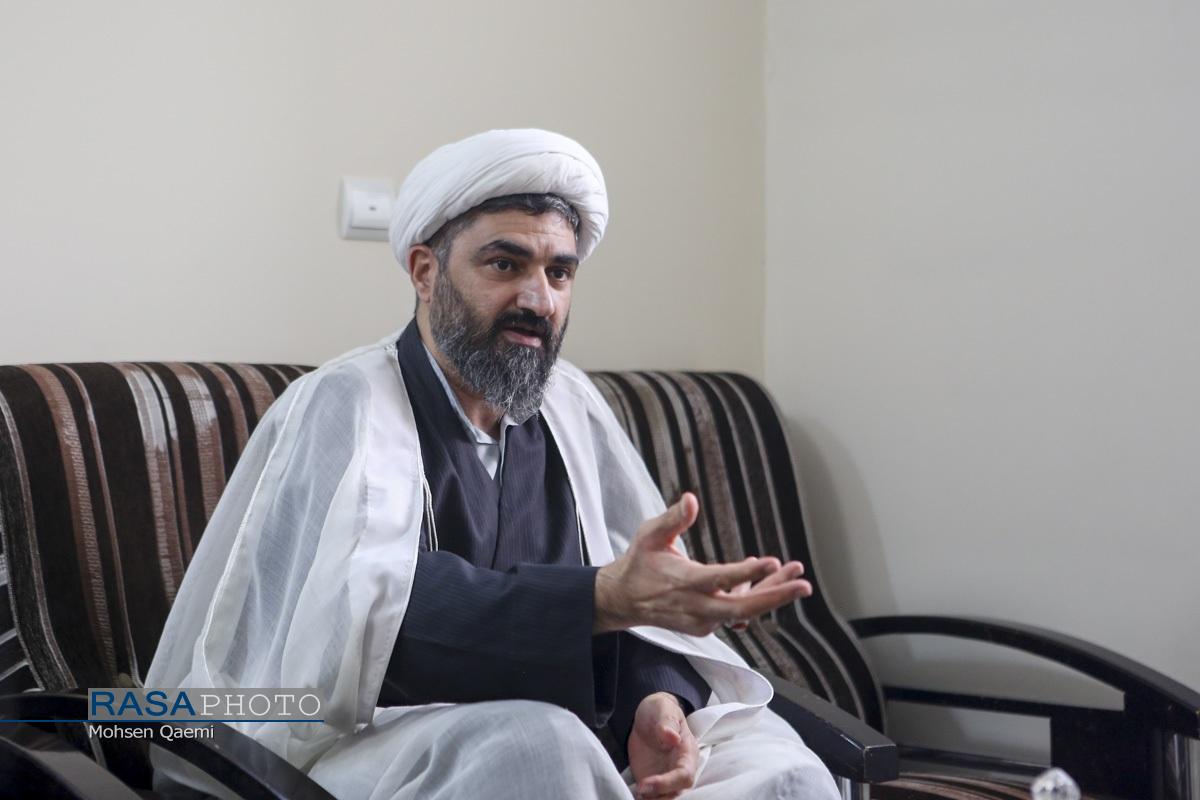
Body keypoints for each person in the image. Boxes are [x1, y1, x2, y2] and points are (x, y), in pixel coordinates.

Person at [147, 129, 841, 800]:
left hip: (569, 730)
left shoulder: (571, 403)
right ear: (425, 272)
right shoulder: (347, 402)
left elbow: (632, 599)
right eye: (505, 265)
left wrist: (654, 702)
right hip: (349, 740)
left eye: (559, 272)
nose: (539, 301)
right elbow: (366, 627)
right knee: (540, 746)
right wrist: (597, 598)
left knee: (777, 767)